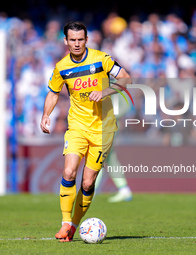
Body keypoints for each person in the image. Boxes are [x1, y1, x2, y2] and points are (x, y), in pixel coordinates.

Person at [40, 21, 131, 242]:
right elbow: (53, 93)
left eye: (81, 39)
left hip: (103, 130)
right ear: (66, 41)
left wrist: (106, 90)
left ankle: (74, 226)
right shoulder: (61, 67)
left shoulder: (101, 59)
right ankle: (64, 223)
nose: (77, 44)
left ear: (87, 40)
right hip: (77, 127)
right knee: (69, 172)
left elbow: (126, 78)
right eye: (73, 40)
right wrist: (45, 115)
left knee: (88, 182)